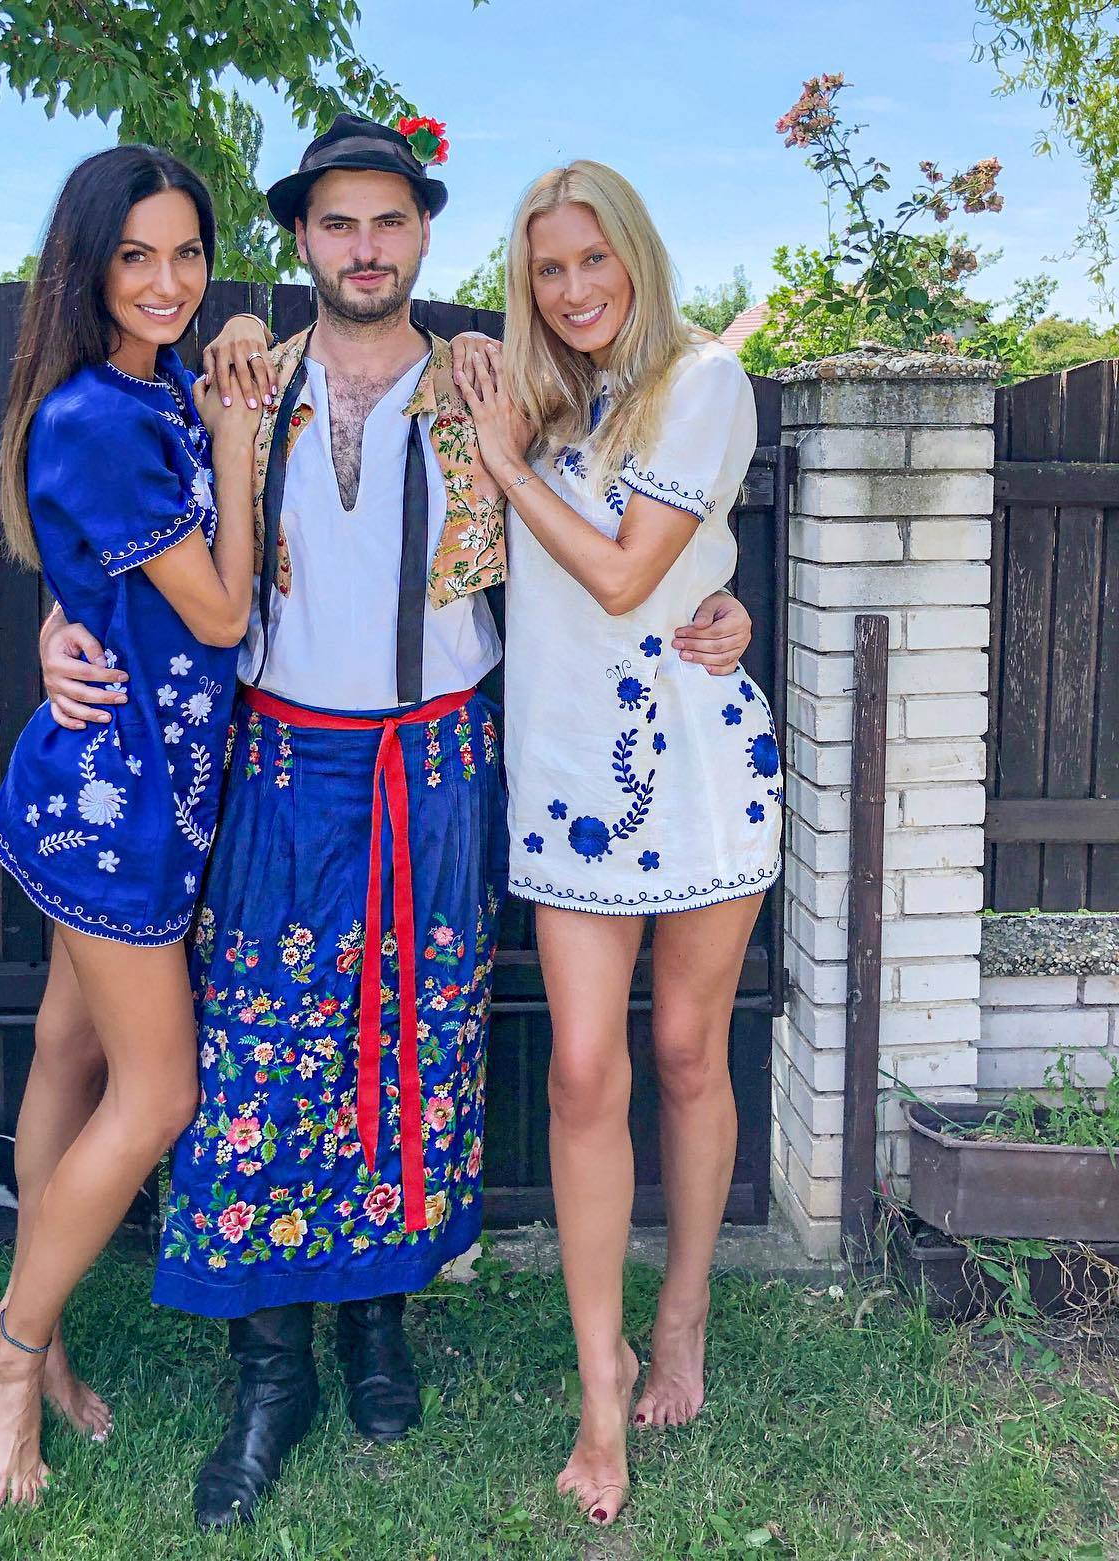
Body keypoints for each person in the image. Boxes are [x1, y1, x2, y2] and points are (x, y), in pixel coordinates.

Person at [37, 115, 755, 1532]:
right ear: (302, 240)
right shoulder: (236, 381)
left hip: (437, 758)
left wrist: (713, 602)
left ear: (424, 235)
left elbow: (628, 505)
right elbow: (112, 537)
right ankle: (271, 1369)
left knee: (409, 1050)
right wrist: (58, 630)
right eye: (336, 224)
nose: (364, 249)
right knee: (261, 1055)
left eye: (388, 222)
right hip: (282, 757)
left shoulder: (501, 380)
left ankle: (379, 1323)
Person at [451, 161, 783, 1527]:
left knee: (689, 1052)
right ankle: (604, 1378)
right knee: (584, 1069)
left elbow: (626, 573)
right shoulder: (541, 400)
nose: (575, 287)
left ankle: (684, 1306)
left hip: (695, 765)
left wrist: (504, 469)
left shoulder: (701, 378)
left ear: (638, 256)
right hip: (569, 770)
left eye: (595, 259)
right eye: (550, 268)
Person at [0, 143, 258, 1507]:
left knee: (67, 1050)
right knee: (157, 1095)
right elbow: (220, 613)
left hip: (131, 784)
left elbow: (104, 581)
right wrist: (240, 453)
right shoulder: (99, 416)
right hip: (116, 807)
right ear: (87, 269)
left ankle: (48, 1335)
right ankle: (10, 1350)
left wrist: (227, 373)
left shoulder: (158, 389)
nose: (166, 280)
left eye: (186, 253)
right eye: (135, 256)